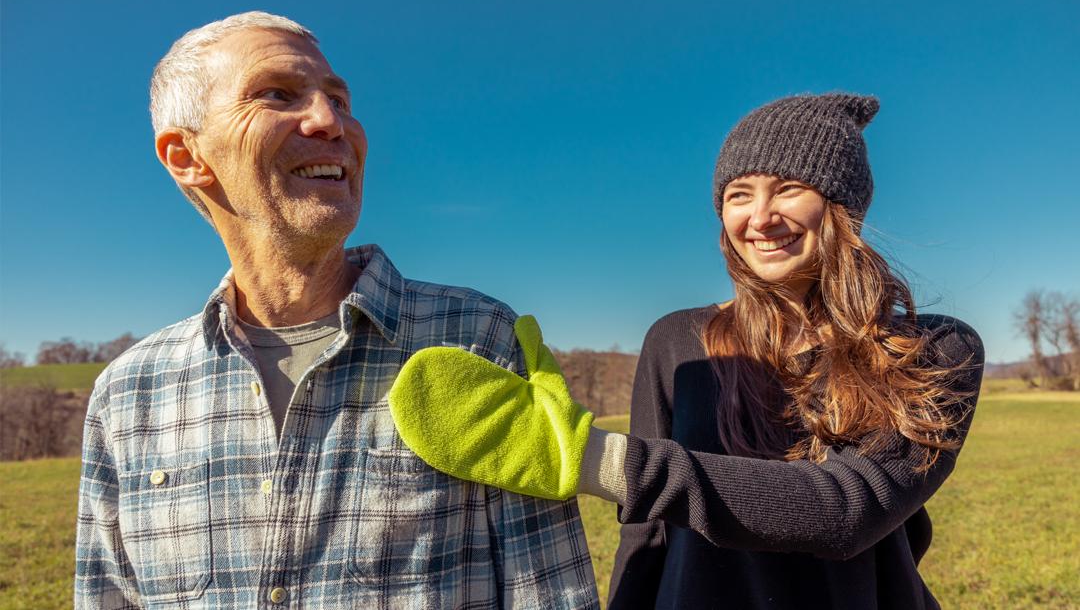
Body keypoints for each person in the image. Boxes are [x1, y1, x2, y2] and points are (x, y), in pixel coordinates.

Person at [74, 12, 598, 609]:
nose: (332, 122)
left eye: (340, 100)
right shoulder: (128, 394)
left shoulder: (476, 337)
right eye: (278, 93)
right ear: (186, 156)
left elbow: (551, 594)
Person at [388, 93, 984, 610]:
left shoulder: (932, 349)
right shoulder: (679, 342)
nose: (760, 216)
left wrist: (593, 457)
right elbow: (645, 532)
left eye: (790, 189)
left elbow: (850, 508)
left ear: (842, 207)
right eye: (738, 194)